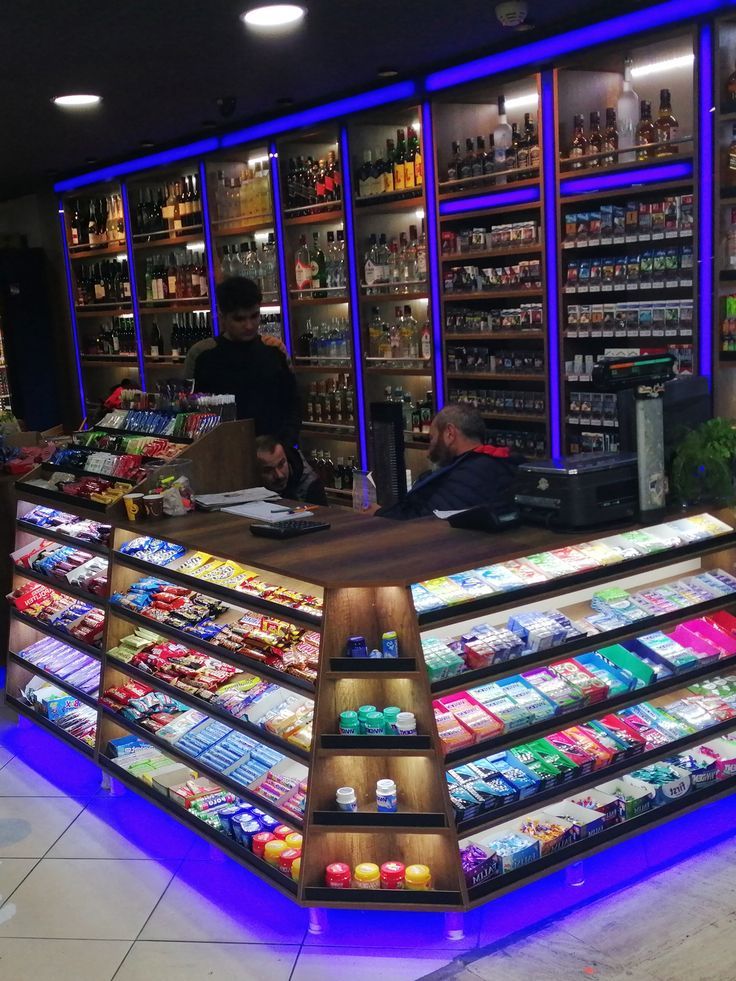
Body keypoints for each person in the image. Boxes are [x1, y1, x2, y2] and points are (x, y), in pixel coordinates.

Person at [371, 402, 521, 521]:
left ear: (450, 433)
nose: (429, 450)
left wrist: (379, 514)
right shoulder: (499, 463)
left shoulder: (470, 473)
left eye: (432, 438)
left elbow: (425, 520)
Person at [193, 277, 300, 444]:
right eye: (239, 319)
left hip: (275, 453)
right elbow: (192, 415)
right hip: (224, 452)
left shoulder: (274, 351)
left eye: (254, 316)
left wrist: (283, 447)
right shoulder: (204, 357)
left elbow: (293, 406)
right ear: (222, 317)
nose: (249, 325)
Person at [255, 435, 327, 505]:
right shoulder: (249, 482)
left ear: (287, 458)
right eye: (268, 470)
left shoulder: (311, 486)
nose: (279, 475)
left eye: (281, 464)